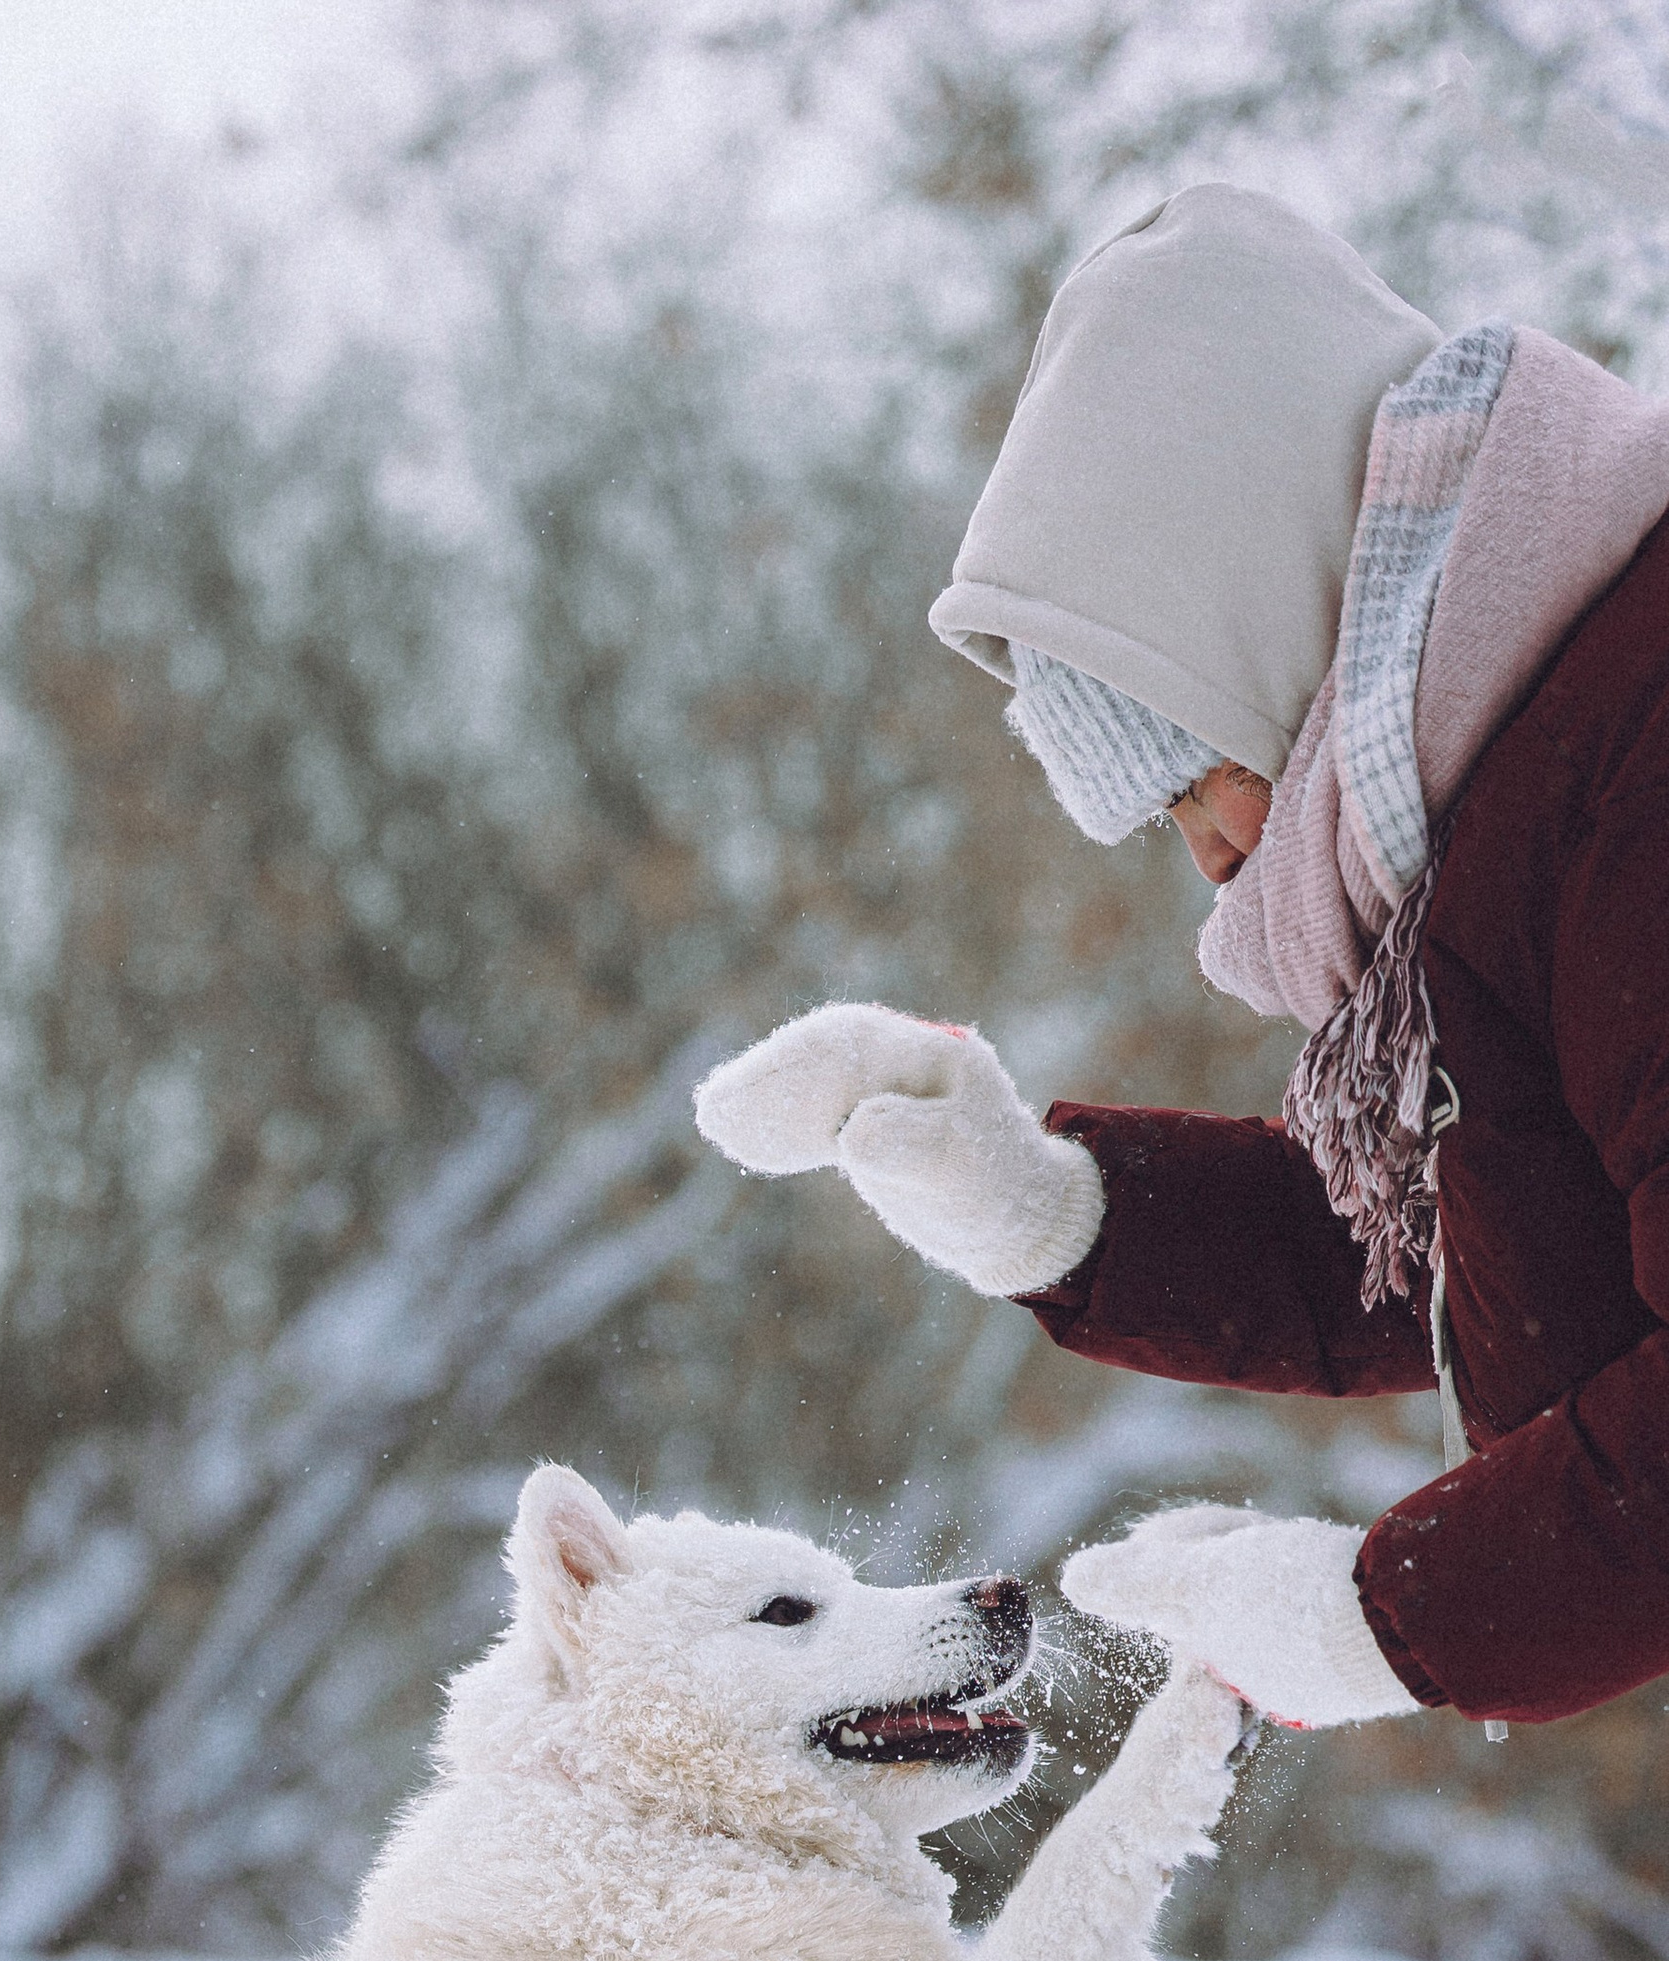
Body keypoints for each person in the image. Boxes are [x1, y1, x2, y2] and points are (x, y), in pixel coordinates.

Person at [692, 183, 1669, 1732]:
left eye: (1194, 765)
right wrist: (1048, 1211)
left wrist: (1383, 1622)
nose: (1212, 856)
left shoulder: (1633, 759)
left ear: (1275, 608)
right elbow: (1463, 1244)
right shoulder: (1527, 782)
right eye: (1158, 820)